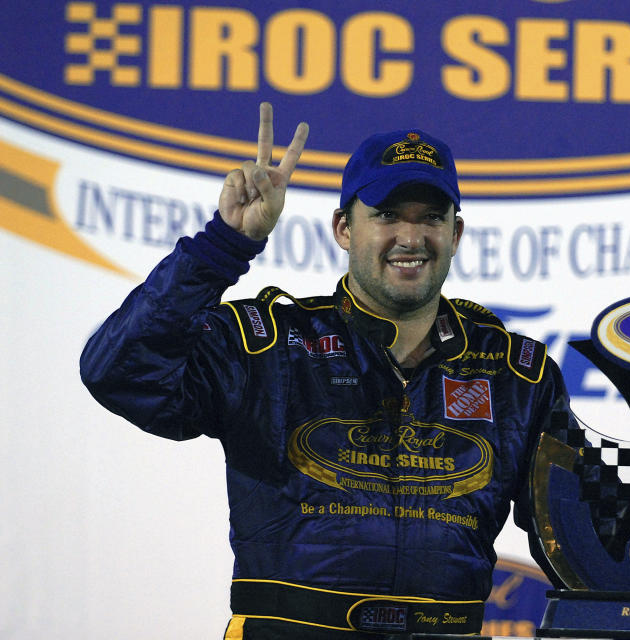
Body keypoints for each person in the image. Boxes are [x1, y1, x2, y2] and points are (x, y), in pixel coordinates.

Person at [80, 103, 573, 639]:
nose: (410, 237)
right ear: (343, 228)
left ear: (455, 235)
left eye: (430, 217)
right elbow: (119, 372)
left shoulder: (515, 374)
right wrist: (223, 246)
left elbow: (577, 537)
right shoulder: (267, 343)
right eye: (386, 215)